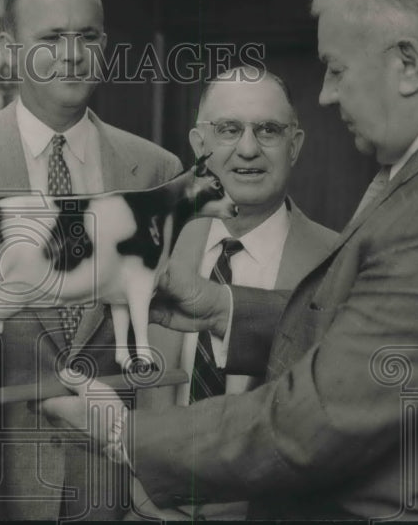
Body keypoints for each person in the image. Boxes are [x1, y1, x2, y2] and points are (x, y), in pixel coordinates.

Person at [42, 0, 418, 520]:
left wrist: (122, 434)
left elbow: (319, 420)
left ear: (408, 63)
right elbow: (367, 336)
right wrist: (224, 310)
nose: (326, 93)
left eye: (337, 69)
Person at [0, 0, 183, 521]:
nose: (73, 54)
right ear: (8, 49)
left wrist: (151, 484)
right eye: (51, 38)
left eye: (88, 37)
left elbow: (159, 336)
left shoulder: (155, 170)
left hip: (107, 479)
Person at [134, 66, 337, 520]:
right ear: (199, 145)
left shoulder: (340, 265)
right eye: (228, 129)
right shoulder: (148, 249)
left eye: (268, 130)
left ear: (295, 145)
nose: (248, 148)